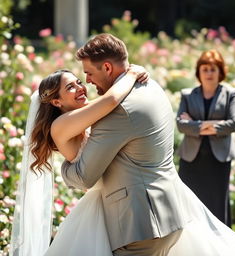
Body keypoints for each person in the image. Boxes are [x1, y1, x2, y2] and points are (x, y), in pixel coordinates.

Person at [60, 34, 235, 256]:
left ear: (107, 67)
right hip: (168, 214)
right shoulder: (149, 84)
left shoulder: (115, 113)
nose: (87, 81)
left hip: (141, 226)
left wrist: (65, 165)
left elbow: (85, 177)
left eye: (89, 73)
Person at [10, 65, 149, 256]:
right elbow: (111, 100)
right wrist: (132, 73)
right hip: (102, 208)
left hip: (118, 196)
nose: (80, 87)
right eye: (70, 87)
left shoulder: (85, 115)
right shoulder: (60, 126)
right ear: (57, 102)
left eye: (79, 82)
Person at [176, 49, 235, 227]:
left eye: (213, 69)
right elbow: (181, 125)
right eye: (205, 69)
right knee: (189, 205)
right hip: (191, 159)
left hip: (218, 160)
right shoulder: (187, 95)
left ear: (220, 71)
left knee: (217, 205)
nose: (209, 73)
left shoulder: (230, 94)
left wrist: (196, 125)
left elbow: (234, 124)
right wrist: (215, 125)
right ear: (199, 72)